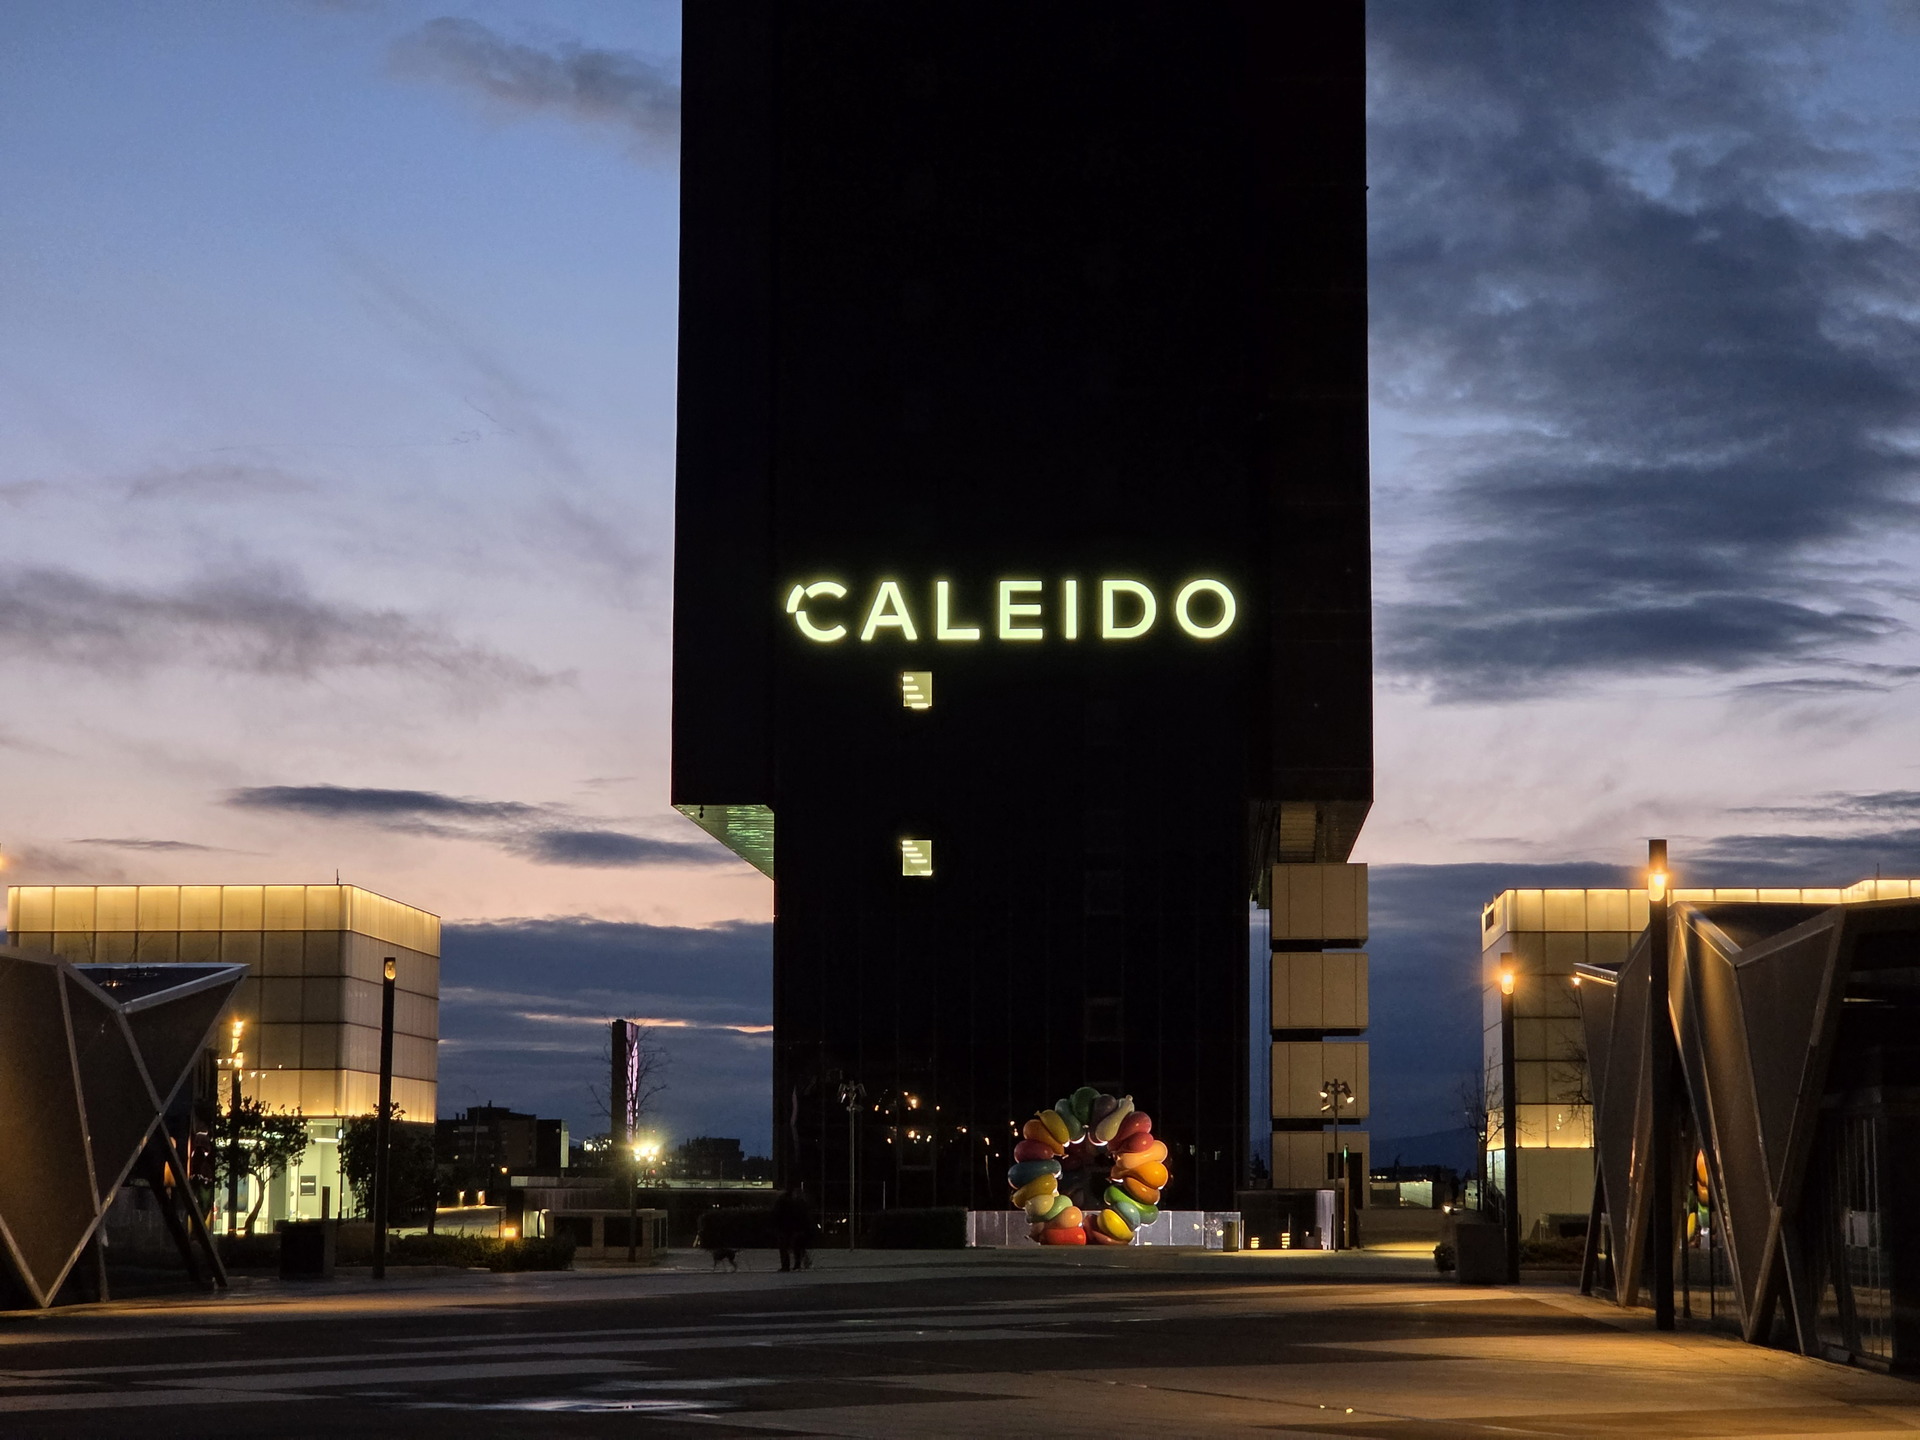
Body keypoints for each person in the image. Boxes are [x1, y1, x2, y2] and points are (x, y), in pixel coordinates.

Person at [772, 1184, 807, 1273]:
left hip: (784, 1227)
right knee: (796, 1246)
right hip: (794, 1227)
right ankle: (797, 1264)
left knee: (784, 1247)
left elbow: (776, 1214)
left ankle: (786, 1265)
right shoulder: (797, 1202)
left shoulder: (782, 1201)